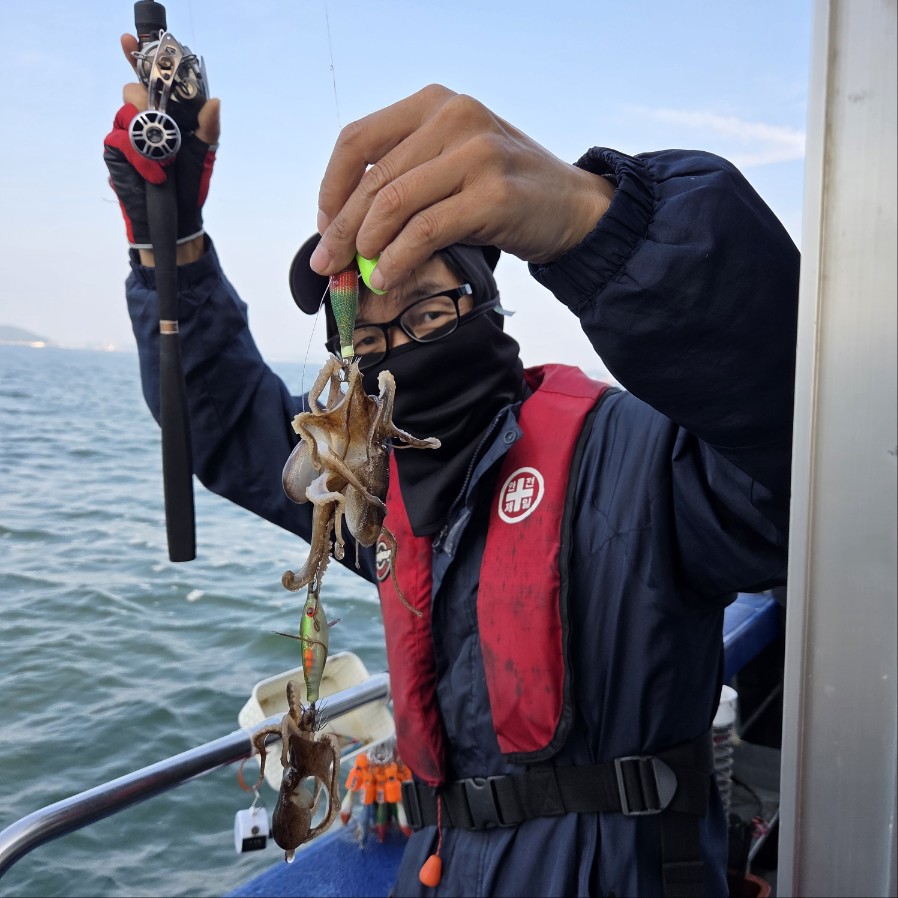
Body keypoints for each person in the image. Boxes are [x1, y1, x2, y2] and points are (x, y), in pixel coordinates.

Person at [104, 32, 799, 898]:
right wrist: (169, 245)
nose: (396, 351)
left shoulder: (639, 456)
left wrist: (603, 225)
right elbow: (226, 425)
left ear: (487, 305)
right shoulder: (373, 495)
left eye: (427, 313)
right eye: (365, 341)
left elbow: (798, 458)